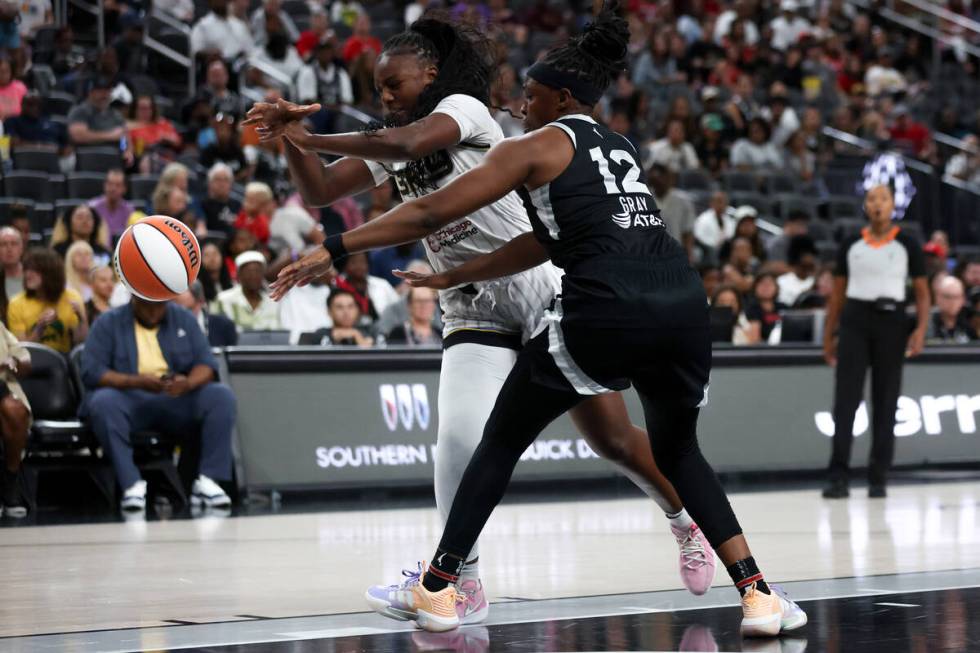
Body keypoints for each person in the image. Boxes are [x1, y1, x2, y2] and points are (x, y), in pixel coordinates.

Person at [267, 6, 804, 636]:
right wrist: (286, 138)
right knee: (463, 441)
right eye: (378, 89)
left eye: (395, 85)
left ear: (431, 76)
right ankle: (460, 584)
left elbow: (413, 164)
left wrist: (325, 194)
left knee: (613, 439)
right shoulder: (392, 138)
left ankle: (682, 519)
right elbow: (322, 194)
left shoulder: (462, 111)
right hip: (476, 303)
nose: (385, 98)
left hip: (542, 287)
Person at [822, 184, 930, 500]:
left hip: (892, 321)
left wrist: (920, 329)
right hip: (855, 320)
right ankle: (838, 475)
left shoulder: (908, 244)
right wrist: (829, 334)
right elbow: (838, 295)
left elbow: (923, 294)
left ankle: (878, 476)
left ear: (894, 204)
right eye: (872, 199)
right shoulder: (851, 244)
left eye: (883, 198)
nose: (878, 204)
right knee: (846, 400)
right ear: (865, 206)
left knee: (886, 399)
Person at [80, 295, 236, 512]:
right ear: (134, 299)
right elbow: (92, 371)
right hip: (128, 396)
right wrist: (136, 381)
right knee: (102, 402)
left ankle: (209, 480)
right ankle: (131, 484)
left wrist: (188, 383)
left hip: (174, 396)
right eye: (147, 307)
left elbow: (206, 364)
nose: (153, 312)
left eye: (159, 306)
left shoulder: (184, 318)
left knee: (220, 396)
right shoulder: (108, 322)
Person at [8, 248, 88, 354]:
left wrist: (81, 319)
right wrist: (39, 328)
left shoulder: (71, 298)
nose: (28, 275)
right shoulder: (16, 303)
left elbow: (80, 342)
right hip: (31, 362)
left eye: (34, 270)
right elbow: (21, 351)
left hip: (63, 361)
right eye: (26, 269)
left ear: (50, 273)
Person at [0, 318, 31, 518]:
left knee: (15, 410)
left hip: (2, 387)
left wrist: (14, 362)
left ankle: (10, 478)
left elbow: (24, 359)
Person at [66, 77, 134, 165]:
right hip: (87, 157)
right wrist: (110, 136)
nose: (104, 95)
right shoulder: (80, 111)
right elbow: (78, 136)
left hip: (114, 159)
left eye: (107, 91)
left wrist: (126, 151)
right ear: (91, 92)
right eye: (100, 91)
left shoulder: (115, 114)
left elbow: (123, 137)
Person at [214, 250, 280, 331]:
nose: (253, 275)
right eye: (248, 271)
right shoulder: (223, 299)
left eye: (258, 271)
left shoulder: (272, 302)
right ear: (239, 274)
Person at [332, 252, 399, 327]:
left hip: (384, 331)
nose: (359, 266)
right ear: (345, 265)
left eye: (362, 262)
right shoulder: (338, 287)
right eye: (353, 262)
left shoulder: (382, 285)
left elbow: (398, 309)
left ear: (368, 264)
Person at [647, 164, 695, 259]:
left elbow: (688, 232)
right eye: (656, 179)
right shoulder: (644, 199)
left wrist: (689, 256)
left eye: (663, 177)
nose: (660, 181)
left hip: (675, 252)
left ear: (670, 179)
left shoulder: (683, 200)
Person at [298, 288, 374, 347]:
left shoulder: (370, 332)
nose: (346, 312)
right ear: (329, 311)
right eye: (339, 307)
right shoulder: (319, 335)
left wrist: (357, 336)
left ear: (358, 310)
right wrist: (333, 336)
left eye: (350, 307)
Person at [174, 281, 238, 347]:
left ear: (200, 299)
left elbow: (234, 355)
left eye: (181, 290)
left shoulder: (223, 325)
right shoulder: (168, 327)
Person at [88, 169, 135, 240]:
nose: (113, 188)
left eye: (118, 185)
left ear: (124, 188)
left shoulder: (129, 210)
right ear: (104, 185)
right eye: (110, 184)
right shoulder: (92, 207)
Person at [928, 276, 976, 343]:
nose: (952, 302)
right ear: (937, 297)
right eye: (948, 297)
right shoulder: (926, 323)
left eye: (957, 297)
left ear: (963, 299)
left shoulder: (971, 323)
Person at [199, 163, 241, 237]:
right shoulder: (202, 204)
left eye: (226, 180)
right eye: (218, 179)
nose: (222, 184)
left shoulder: (238, 205)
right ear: (210, 183)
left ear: (231, 184)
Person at [777, 235, 818, 306]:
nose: (809, 259)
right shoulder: (782, 281)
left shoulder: (816, 282)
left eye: (810, 266)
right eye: (804, 266)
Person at [745, 273, 785, 343]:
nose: (766, 287)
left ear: (776, 288)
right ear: (755, 287)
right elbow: (754, 340)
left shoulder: (784, 308)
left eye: (769, 284)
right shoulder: (751, 309)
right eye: (762, 284)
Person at [693, 191, 736, 256]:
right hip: (707, 253)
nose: (722, 205)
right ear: (712, 203)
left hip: (725, 252)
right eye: (719, 201)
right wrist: (715, 244)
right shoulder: (703, 219)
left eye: (724, 202)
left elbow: (732, 236)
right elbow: (699, 237)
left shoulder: (729, 220)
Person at [0, 227, 24, 301]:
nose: (9, 249)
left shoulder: (33, 275)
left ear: (21, 248)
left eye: (14, 244)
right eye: (3, 244)